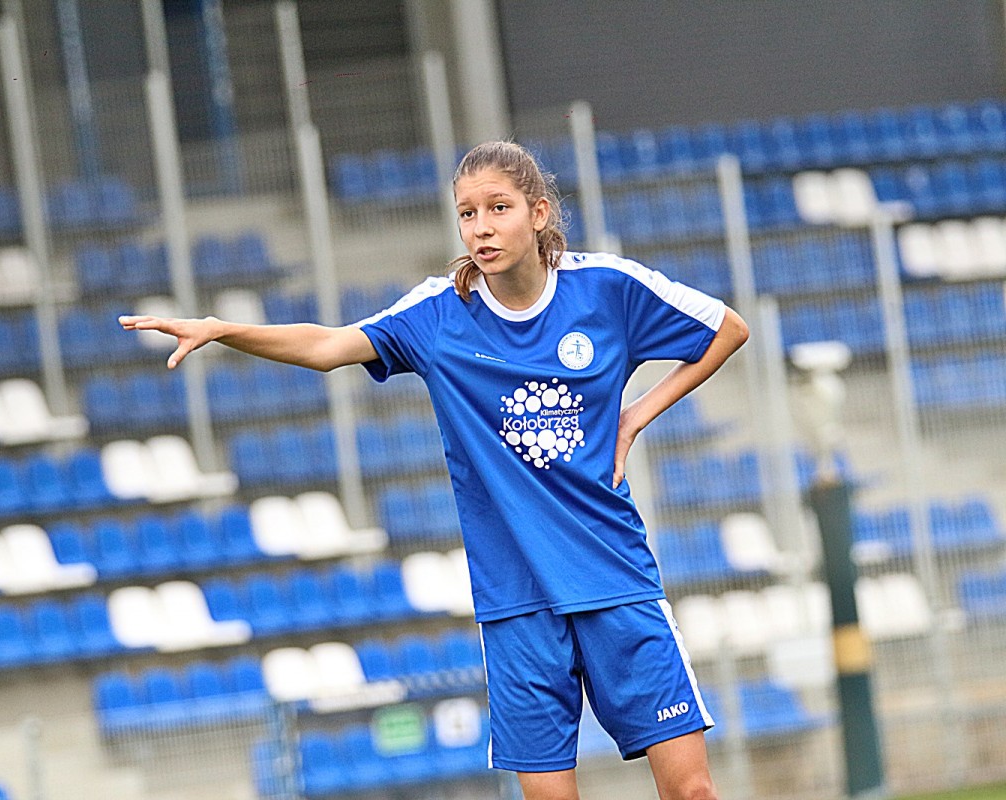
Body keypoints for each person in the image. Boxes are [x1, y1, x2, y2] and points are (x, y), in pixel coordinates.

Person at [120, 140, 748, 800]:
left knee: (692, 793)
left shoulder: (608, 288)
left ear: (538, 213)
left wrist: (636, 414)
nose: (481, 228)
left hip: (614, 578)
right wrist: (223, 329)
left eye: (498, 208)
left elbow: (726, 329)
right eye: (467, 213)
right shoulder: (438, 313)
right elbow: (329, 345)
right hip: (516, 602)